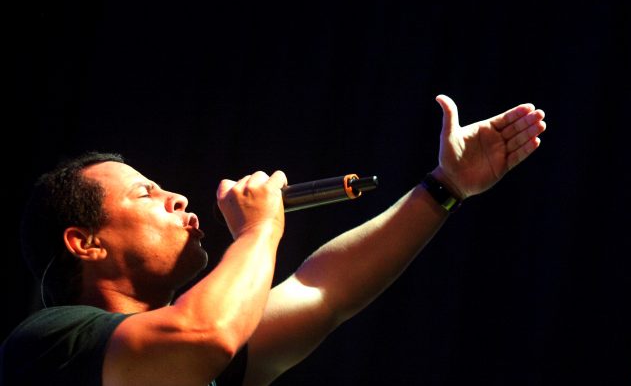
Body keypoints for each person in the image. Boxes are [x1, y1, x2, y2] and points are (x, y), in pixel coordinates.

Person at [1, 95, 546, 386]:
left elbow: (323, 291)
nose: (178, 198)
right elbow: (204, 334)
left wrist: (446, 186)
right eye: (146, 194)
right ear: (85, 243)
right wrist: (260, 229)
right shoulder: (49, 342)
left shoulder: (203, 347)